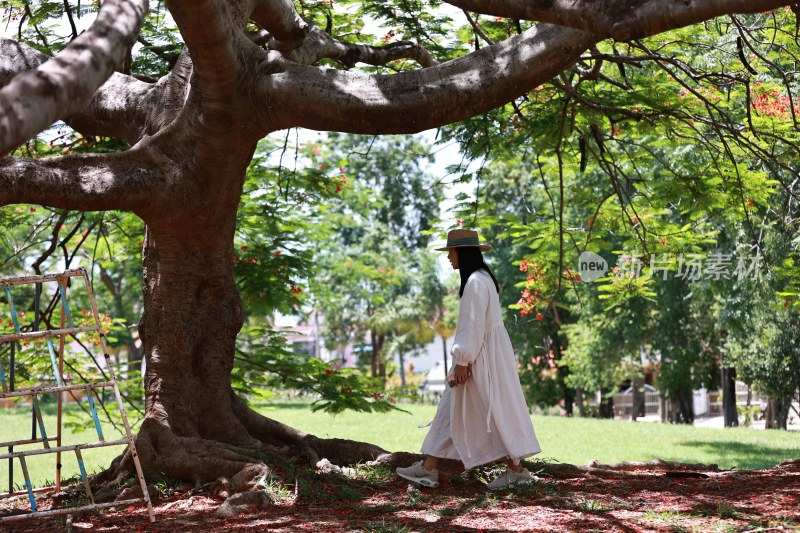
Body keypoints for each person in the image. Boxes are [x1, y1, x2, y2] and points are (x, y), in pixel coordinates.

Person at [396, 229, 541, 490]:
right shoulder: (484, 279)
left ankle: (515, 470)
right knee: (462, 410)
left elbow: (471, 325)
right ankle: (430, 468)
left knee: (485, 412)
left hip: (477, 359)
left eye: (451, 252)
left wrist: (462, 361)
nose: (449, 258)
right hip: (487, 357)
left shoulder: (475, 282)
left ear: (461, 252)